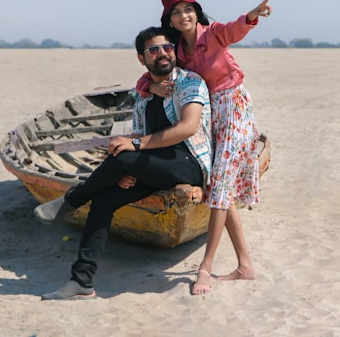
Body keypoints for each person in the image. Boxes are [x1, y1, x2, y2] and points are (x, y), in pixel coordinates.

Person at [36, 26, 213, 300]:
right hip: (156, 165)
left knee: (126, 153)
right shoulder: (143, 97)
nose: (163, 54)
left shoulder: (190, 82)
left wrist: (135, 150)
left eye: (167, 47)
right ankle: (81, 282)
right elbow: (138, 136)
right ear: (142, 59)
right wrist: (125, 167)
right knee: (105, 197)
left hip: (189, 164)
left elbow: (188, 128)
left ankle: (72, 199)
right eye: (154, 50)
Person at [135, 0, 271, 295]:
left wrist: (253, 15)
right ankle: (245, 265)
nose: (184, 15)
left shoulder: (213, 34)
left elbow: (235, 29)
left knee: (220, 184)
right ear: (169, 19)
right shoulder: (177, 52)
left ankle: (205, 268)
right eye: (176, 12)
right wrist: (149, 88)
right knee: (219, 185)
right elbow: (150, 76)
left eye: (188, 9)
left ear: (197, 12)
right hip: (209, 114)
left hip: (235, 107)